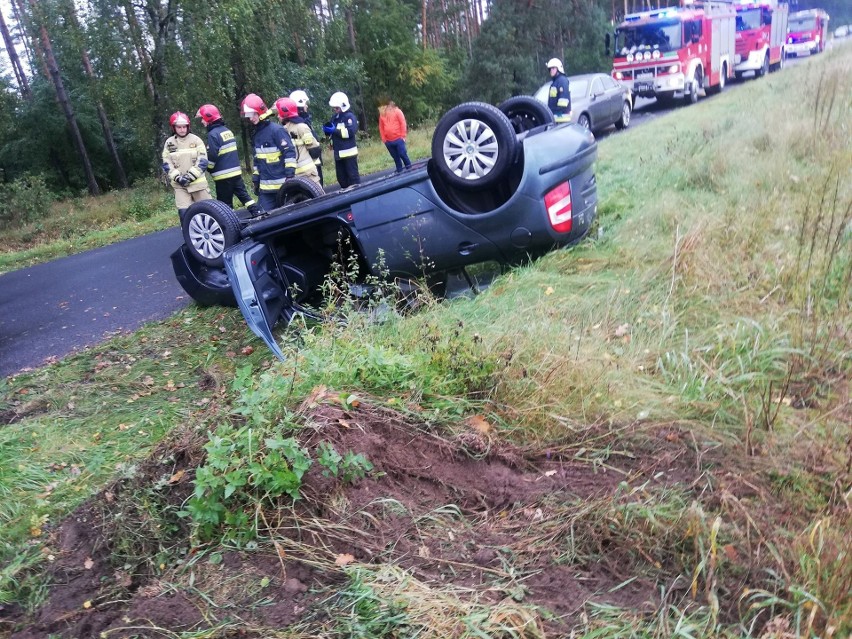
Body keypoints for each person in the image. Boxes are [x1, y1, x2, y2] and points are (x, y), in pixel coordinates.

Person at [195, 103, 262, 216]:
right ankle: (257, 212)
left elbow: (212, 155)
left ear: (208, 118)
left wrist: (209, 168)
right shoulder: (227, 131)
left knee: (225, 205)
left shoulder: (212, 134)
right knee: (244, 196)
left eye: (202, 119)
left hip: (223, 176)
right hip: (235, 173)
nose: (202, 122)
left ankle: (231, 225)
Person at [240, 93, 297, 212]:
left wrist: (290, 176)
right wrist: (256, 179)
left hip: (283, 187)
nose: (250, 118)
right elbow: (257, 160)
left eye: (252, 114)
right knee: (263, 218)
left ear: (260, 112)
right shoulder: (256, 134)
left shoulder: (277, 130)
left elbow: (289, 153)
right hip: (266, 191)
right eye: (248, 115)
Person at [161, 111, 211, 223]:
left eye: (184, 127)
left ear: (188, 126)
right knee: (185, 215)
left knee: (208, 213)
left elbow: (202, 161)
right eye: (179, 127)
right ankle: (190, 238)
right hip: (180, 187)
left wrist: (189, 177)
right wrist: (178, 178)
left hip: (198, 185)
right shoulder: (169, 143)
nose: (182, 129)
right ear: (174, 128)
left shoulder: (196, 140)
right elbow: (167, 163)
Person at [274, 97, 323, 188]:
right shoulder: (284, 130)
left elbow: (315, 151)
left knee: (319, 198)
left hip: (308, 174)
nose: (277, 116)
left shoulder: (300, 127)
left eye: (279, 114)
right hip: (295, 176)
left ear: (285, 114)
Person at [322, 91, 360, 189]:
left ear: (343, 105)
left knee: (353, 178)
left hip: (349, 153)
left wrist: (334, 130)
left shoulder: (349, 117)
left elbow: (350, 132)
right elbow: (332, 133)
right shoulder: (335, 117)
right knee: (341, 178)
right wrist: (327, 131)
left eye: (337, 107)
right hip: (338, 154)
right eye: (334, 107)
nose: (335, 109)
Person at [290, 89, 324, 186]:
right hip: (311, 166)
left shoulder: (299, 122)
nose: (307, 106)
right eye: (305, 104)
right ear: (300, 105)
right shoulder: (302, 123)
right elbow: (313, 147)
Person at [378, 99, 411, 173]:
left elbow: (403, 123)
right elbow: (381, 127)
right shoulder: (382, 114)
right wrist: (384, 139)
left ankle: (409, 168)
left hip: (399, 139)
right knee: (395, 157)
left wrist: (403, 136)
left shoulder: (398, 112)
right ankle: (399, 171)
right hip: (388, 141)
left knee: (402, 154)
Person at [546, 58, 572, 123]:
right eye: (550, 69)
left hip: (562, 118)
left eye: (553, 68)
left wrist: (552, 111)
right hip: (556, 119)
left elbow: (563, 102)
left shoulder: (562, 81)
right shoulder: (555, 82)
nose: (551, 70)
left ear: (558, 69)